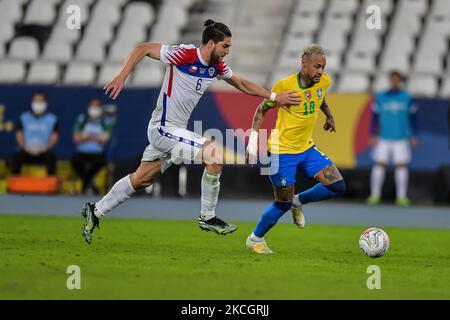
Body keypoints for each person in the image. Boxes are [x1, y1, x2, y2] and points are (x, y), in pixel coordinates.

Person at [80, 19, 301, 244]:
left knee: (142, 179)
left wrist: (273, 97)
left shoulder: (217, 67)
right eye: (225, 46)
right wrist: (121, 76)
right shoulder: (184, 54)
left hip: (174, 132)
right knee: (214, 154)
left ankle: (95, 210)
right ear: (211, 44)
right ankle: (207, 216)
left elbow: (241, 83)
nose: (227, 52)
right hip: (163, 129)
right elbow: (143, 48)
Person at [245, 44, 346, 254]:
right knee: (282, 202)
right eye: (317, 66)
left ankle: (298, 202)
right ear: (304, 62)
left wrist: (329, 115)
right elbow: (260, 111)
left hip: (307, 149)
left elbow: (320, 97)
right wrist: (253, 143)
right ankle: (255, 239)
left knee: (337, 185)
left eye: (323, 67)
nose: (321, 72)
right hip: (281, 152)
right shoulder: (285, 85)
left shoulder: (324, 81)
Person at [367, 71, 418, 207]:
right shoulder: (380, 97)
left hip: (401, 137)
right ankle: (375, 195)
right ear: (389, 80)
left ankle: (401, 197)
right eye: (392, 79)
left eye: (396, 80)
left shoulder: (407, 97)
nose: (394, 82)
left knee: (401, 165)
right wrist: (372, 134)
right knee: (379, 164)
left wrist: (414, 134)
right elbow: (374, 118)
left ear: (399, 81)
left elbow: (414, 118)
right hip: (383, 137)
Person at [11, 92, 59, 176]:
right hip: (27, 149)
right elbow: (19, 134)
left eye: (41, 101)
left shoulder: (52, 119)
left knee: (51, 158)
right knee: (16, 157)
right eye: (36, 101)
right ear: (32, 102)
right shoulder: (24, 117)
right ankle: (14, 185)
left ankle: (51, 185)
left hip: (44, 150)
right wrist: (25, 147)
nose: (38, 104)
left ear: (46, 103)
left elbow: (54, 136)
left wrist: (46, 148)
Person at [71, 98, 112, 194]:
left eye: (97, 106)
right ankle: (90, 183)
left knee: (100, 162)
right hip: (82, 151)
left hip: (97, 152)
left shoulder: (105, 121)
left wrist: (87, 136)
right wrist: (96, 137)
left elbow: (104, 140)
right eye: (92, 106)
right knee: (75, 161)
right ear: (88, 107)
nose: (94, 108)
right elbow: (76, 139)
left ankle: (85, 183)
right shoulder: (82, 119)